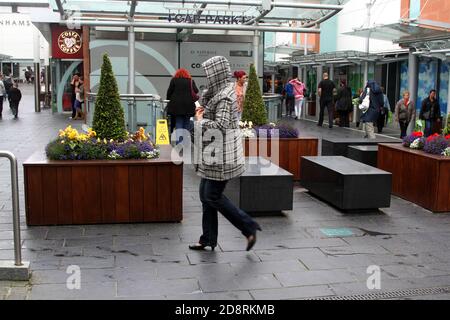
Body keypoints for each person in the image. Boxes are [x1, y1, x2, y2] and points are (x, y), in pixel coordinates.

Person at [190, 56, 261, 252]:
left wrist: (200, 120)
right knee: (206, 196)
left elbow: (220, 125)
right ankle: (208, 239)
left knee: (212, 195)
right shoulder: (217, 91)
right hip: (213, 154)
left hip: (222, 156)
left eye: (209, 74)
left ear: (217, 74)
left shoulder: (226, 95)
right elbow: (204, 105)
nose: (207, 77)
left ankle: (248, 226)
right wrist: (203, 102)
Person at [166, 68, 199, 145]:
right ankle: (186, 143)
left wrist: (169, 100)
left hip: (176, 106)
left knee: (178, 123)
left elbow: (169, 91)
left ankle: (179, 144)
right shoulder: (190, 81)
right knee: (186, 124)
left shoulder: (174, 80)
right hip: (188, 106)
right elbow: (196, 90)